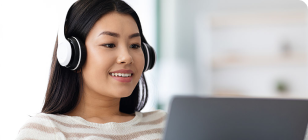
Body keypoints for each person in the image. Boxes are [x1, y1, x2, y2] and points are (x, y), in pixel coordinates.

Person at [16, 0, 166, 139]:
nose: (126, 57)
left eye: (135, 45)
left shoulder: (164, 123)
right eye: (109, 44)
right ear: (73, 55)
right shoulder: (44, 131)